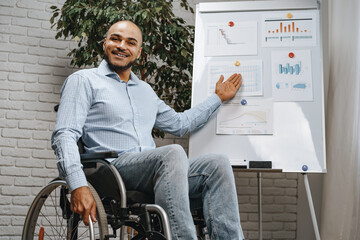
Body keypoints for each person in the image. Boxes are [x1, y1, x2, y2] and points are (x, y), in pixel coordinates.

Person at [52, 20, 245, 240]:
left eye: (130, 42)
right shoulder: (83, 81)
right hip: (111, 171)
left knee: (217, 163)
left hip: (154, 170)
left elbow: (179, 124)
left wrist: (217, 98)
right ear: (105, 43)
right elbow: (64, 135)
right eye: (116, 39)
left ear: (139, 52)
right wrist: (77, 185)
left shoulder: (145, 90)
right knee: (171, 154)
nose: (122, 46)